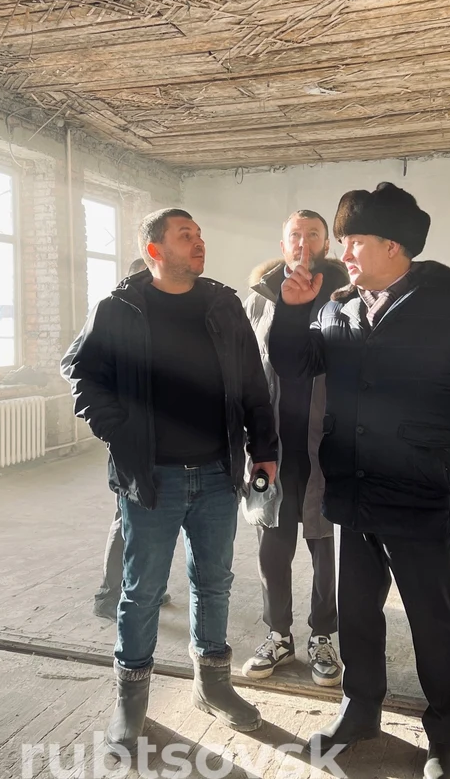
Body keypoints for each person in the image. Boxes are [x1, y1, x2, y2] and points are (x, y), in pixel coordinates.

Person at [270, 183, 450, 779]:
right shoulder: (338, 308)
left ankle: (444, 733)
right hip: (352, 492)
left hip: (422, 493)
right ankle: (360, 712)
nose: (343, 254)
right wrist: (293, 311)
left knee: (433, 621)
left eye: (354, 241)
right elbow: (295, 367)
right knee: (357, 613)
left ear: (394, 246)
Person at [62, 209, 278, 752]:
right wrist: (118, 430)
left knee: (214, 582)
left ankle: (213, 685)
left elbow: (253, 383)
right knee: (141, 591)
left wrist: (264, 450)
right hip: (151, 477)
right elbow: (81, 372)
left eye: (199, 234)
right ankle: (130, 700)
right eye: (186, 236)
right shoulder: (119, 308)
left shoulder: (223, 305)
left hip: (217, 472)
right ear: (155, 250)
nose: (198, 242)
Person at [241, 211, 347, 687]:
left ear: (326, 245)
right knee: (272, 544)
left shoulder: (344, 299)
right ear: (282, 244)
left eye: (313, 235)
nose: (303, 243)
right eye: (295, 235)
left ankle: (323, 635)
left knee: (324, 548)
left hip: (326, 446)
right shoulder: (259, 301)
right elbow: (246, 371)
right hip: (272, 447)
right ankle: (278, 634)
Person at [92, 257, 172, 620]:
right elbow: (79, 368)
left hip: (164, 444)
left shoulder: (164, 319)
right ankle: (109, 595)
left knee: (154, 520)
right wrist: (113, 425)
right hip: (131, 442)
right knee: (126, 517)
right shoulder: (113, 316)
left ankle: (147, 586)